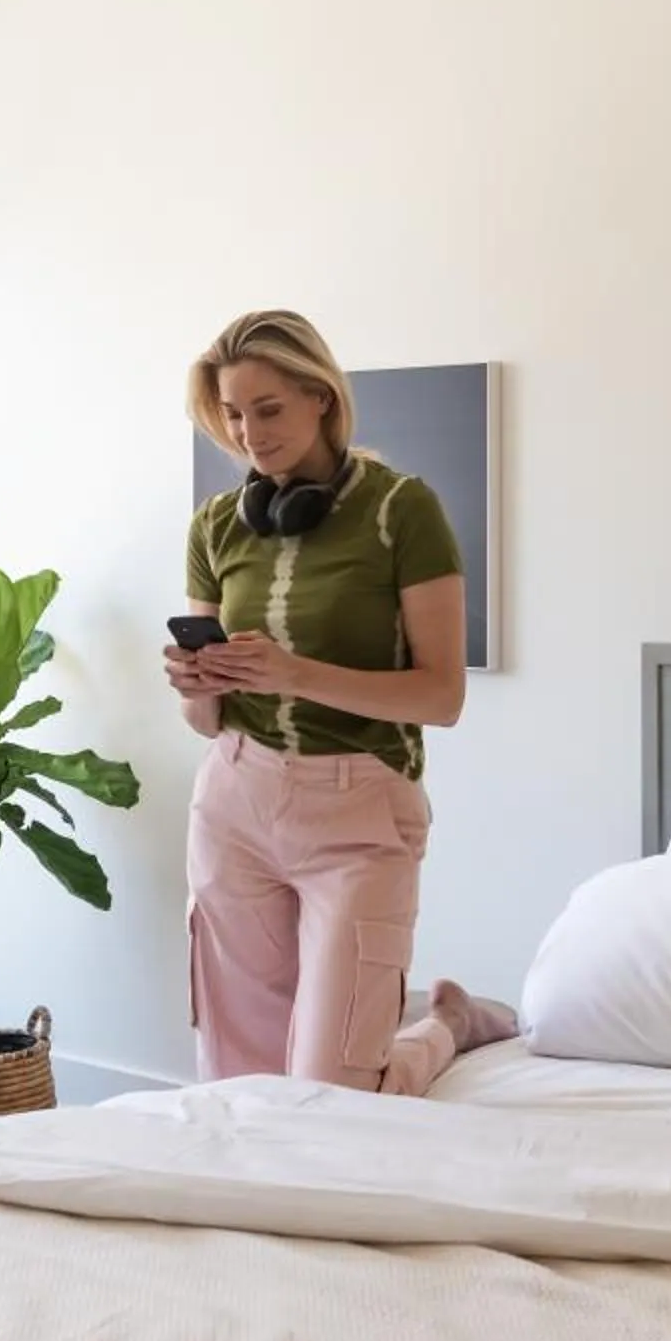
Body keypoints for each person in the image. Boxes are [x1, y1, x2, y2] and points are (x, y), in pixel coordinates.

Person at [167, 309, 516, 1095]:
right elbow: (204, 722)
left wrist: (295, 674)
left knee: (337, 1093)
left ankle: (445, 1027)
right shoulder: (218, 525)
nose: (250, 434)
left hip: (359, 813)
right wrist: (199, 689)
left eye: (269, 410)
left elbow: (442, 695)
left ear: (320, 397)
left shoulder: (402, 511)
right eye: (232, 414)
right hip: (234, 799)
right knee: (239, 1082)